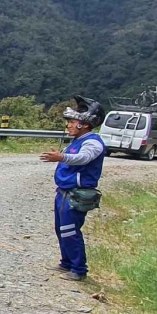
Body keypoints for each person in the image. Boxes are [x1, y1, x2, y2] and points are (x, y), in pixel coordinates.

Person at [39, 97, 107, 281]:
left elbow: (84, 158)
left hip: (75, 195)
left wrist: (61, 158)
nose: (68, 125)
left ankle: (79, 269)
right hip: (63, 193)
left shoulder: (93, 142)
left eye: (72, 122)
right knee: (61, 229)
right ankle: (67, 262)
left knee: (70, 230)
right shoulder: (77, 140)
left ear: (84, 124)